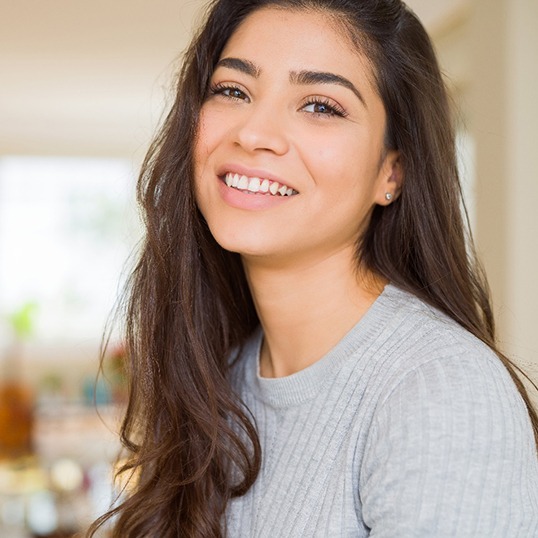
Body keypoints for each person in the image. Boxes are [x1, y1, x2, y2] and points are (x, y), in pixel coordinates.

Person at [88, 0, 538, 536]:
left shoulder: (439, 391)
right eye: (233, 90)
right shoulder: (218, 379)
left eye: (321, 105)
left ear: (390, 173)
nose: (254, 134)